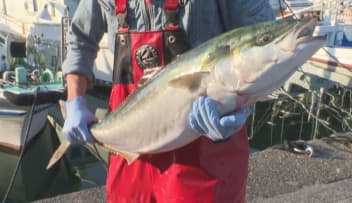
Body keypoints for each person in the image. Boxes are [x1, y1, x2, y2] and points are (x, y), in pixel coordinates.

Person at [62, 0, 275, 202]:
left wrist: (239, 108)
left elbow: (264, 46)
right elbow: (81, 39)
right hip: (131, 157)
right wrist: (75, 102)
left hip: (206, 158)